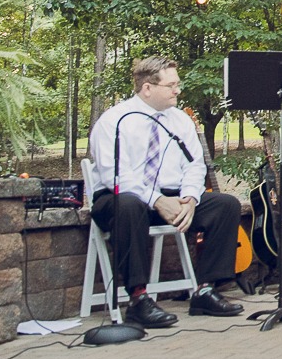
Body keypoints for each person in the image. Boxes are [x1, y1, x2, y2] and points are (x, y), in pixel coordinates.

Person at [88, 57, 245, 327]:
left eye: (177, 84)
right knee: (128, 204)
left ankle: (206, 290)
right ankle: (138, 299)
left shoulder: (180, 121)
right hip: (120, 200)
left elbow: (195, 165)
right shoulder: (114, 121)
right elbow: (115, 175)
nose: (177, 90)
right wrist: (156, 200)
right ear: (147, 88)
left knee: (226, 205)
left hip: (173, 198)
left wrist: (190, 199)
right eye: (171, 85)